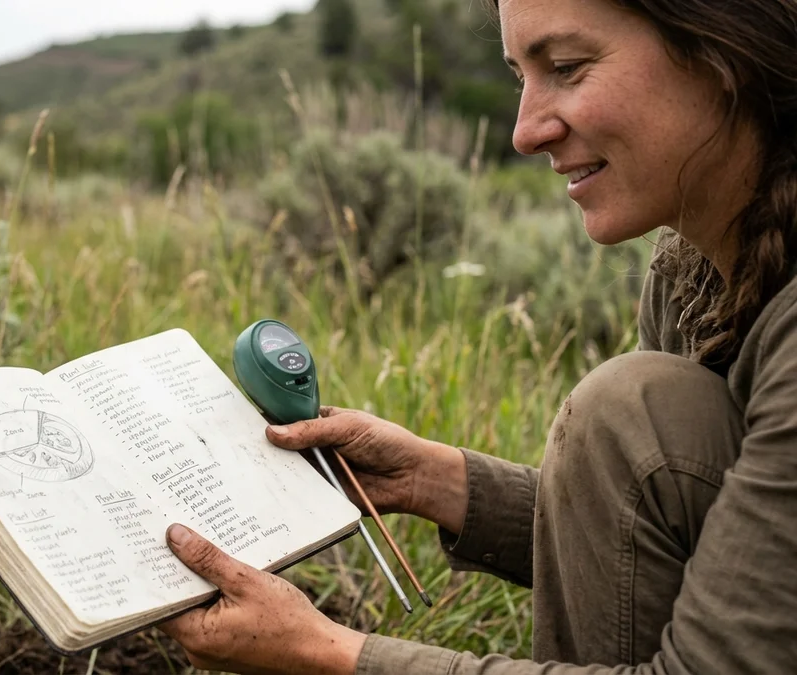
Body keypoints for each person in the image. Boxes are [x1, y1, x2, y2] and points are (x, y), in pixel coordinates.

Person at [156, 0, 797, 672]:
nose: (525, 132)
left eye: (567, 67)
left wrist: (326, 653)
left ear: (725, 51)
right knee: (631, 417)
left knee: (625, 405)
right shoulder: (688, 274)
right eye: (521, 77)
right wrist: (430, 479)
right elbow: (690, 545)